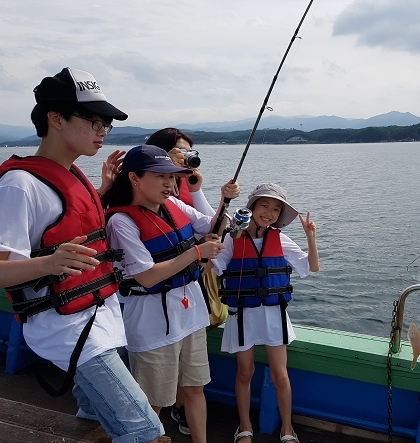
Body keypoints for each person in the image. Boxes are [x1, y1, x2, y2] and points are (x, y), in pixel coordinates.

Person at [0, 68, 166, 443]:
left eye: (105, 123)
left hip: (103, 318)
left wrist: (104, 192)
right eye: (94, 120)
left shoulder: (71, 175)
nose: (102, 130)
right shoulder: (19, 185)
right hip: (68, 329)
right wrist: (50, 263)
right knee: (144, 430)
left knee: (92, 420)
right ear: (55, 119)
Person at [105, 144, 227, 443]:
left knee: (195, 388)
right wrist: (196, 252)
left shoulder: (174, 205)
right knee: (152, 402)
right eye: (161, 176)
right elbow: (146, 276)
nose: (170, 183)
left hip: (191, 314)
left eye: (172, 177)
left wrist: (224, 200)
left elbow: (211, 225)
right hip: (152, 325)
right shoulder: (121, 221)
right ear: (134, 178)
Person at [146, 127, 240, 436]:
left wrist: (201, 190)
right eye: (178, 153)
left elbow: (214, 225)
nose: (185, 160)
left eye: (188, 154)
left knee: (192, 377)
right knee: (154, 385)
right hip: (152, 302)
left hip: (188, 291)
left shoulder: (182, 195)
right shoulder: (136, 204)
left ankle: (183, 412)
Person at [210, 183, 319, 443]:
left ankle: (287, 429)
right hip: (242, 314)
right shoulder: (232, 238)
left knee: (280, 374)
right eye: (264, 205)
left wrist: (311, 237)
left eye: (275, 209)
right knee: (244, 372)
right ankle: (244, 426)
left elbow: (311, 267)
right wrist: (213, 236)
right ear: (252, 207)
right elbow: (212, 265)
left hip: (274, 315)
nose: (269, 213)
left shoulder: (279, 239)